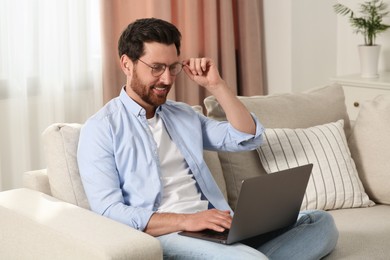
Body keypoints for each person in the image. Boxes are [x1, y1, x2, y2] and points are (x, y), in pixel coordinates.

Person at [77, 18, 338, 259]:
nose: (167, 79)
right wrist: (187, 221)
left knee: (319, 223)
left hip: (215, 227)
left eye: (173, 67)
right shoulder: (101, 129)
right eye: (156, 68)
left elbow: (246, 137)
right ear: (126, 64)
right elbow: (108, 212)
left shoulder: (183, 115)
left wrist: (217, 86)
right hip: (167, 236)